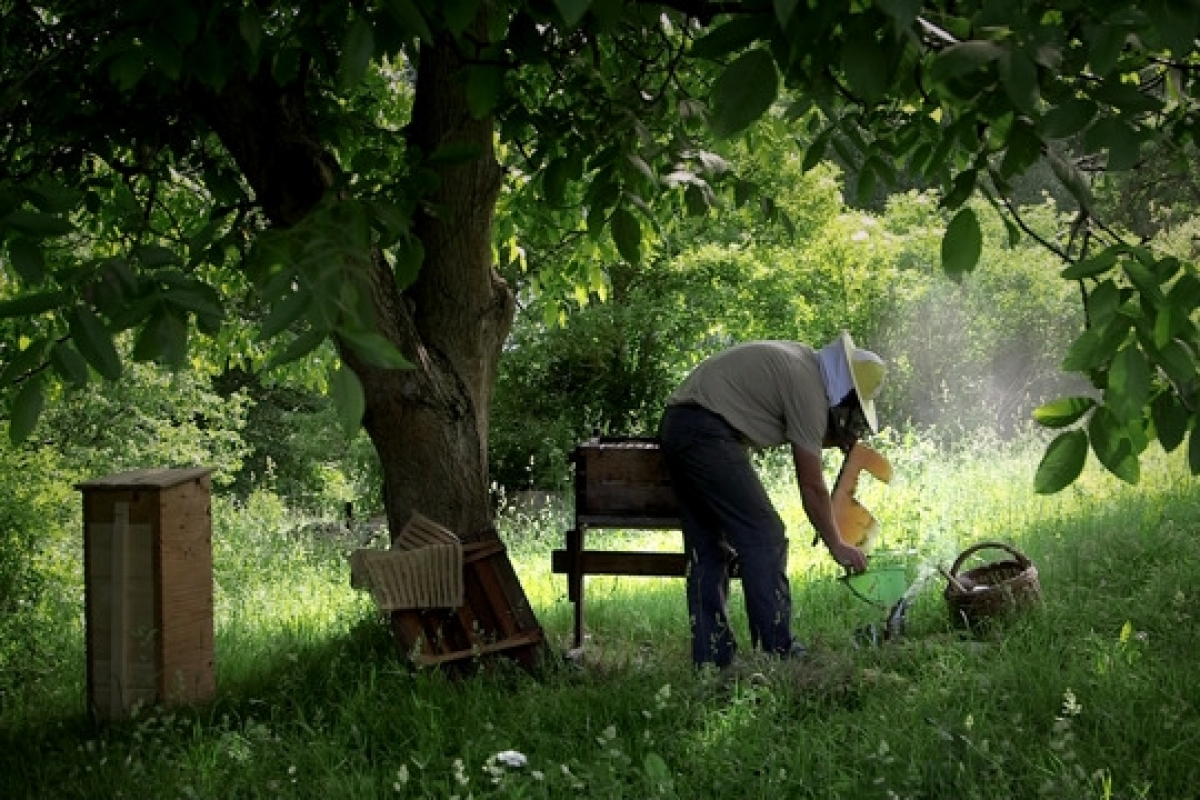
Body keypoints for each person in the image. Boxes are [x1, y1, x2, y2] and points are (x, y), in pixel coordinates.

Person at [657, 332, 885, 668]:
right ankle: (778, 652)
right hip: (708, 434)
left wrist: (834, 437)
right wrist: (836, 543)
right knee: (765, 536)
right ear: (845, 394)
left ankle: (712, 662)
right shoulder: (810, 392)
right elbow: (811, 486)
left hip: (682, 425)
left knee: (707, 549)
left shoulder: (803, 364)